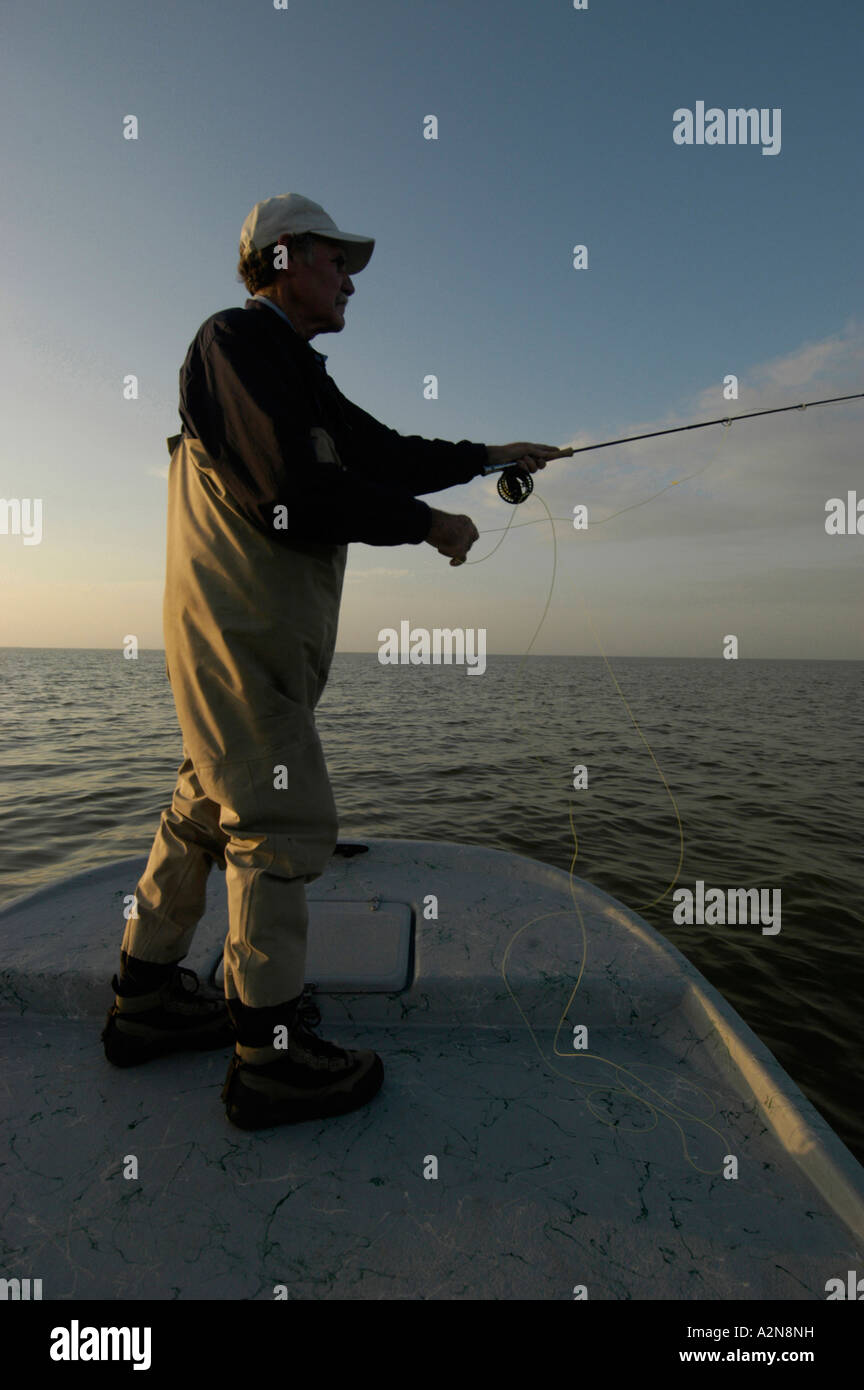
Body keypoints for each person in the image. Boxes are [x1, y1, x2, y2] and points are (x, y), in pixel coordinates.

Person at [101, 193, 568, 1130]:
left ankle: (147, 995)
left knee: (204, 802)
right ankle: (270, 1059)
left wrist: (485, 455)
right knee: (281, 819)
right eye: (335, 259)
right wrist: (427, 526)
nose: (350, 277)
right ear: (282, 258)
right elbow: (293, 489)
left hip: (259, 640)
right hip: (239, 639)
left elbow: (377, 451)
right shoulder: (233, 343)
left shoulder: (292, 371)